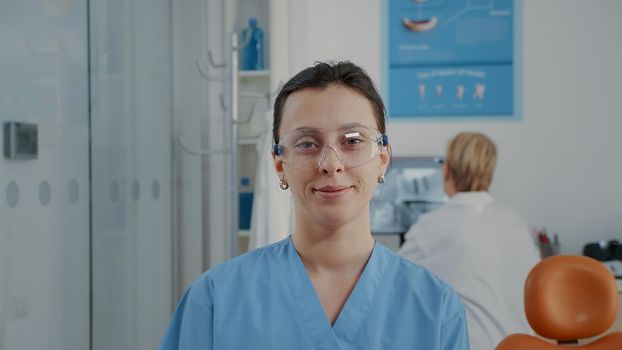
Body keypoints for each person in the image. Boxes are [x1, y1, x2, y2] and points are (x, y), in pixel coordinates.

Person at [160, 61, 469, 349]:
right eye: (307, 144)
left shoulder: (435, 309)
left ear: (383, 160)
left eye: (352, 140)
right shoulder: (215, 302)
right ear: (280, 165)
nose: (331, 164)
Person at [399, 132, 540, 350]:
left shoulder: (432, 226)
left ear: (446, 171)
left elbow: (392, 285)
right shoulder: (516, 223)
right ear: (489, 175)